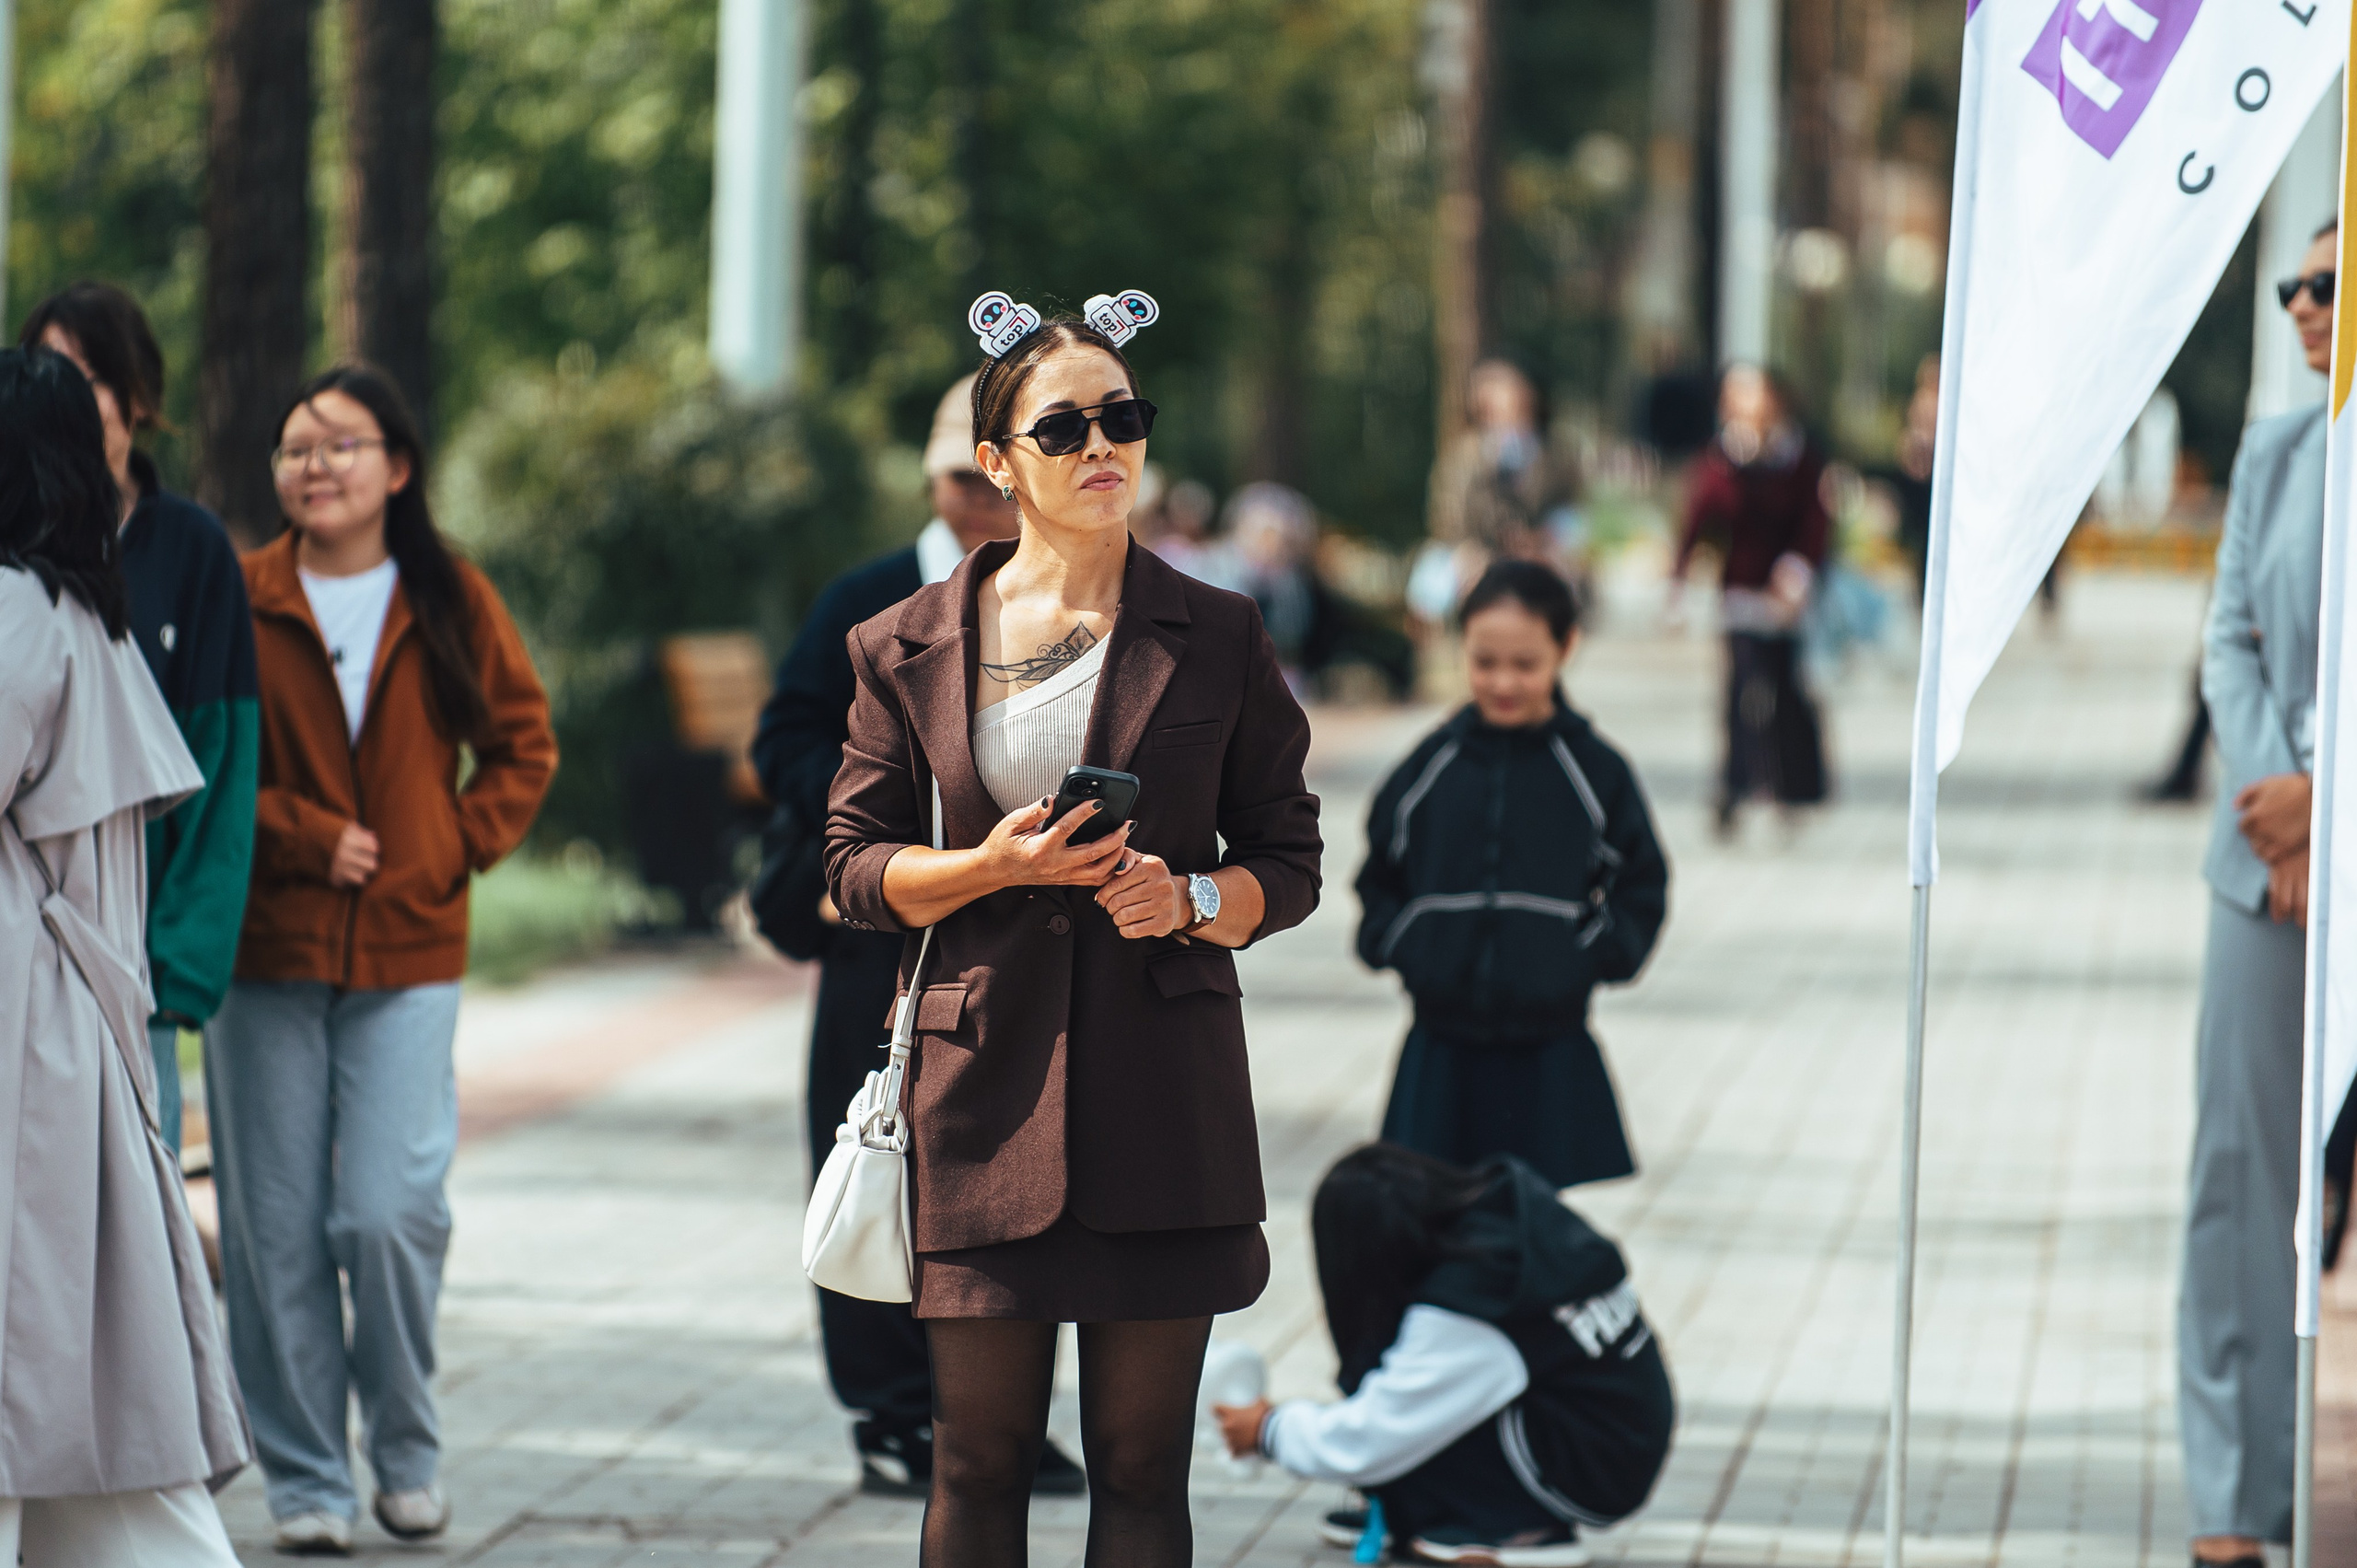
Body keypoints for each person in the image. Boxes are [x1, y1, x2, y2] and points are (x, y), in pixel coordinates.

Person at [824, 293, 1323, 1567]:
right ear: (997, 462)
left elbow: (1289, 854)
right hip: (976, 1091)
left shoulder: (1220, 635)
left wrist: (1196, 900)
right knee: (978, 1458)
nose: (1103, 444)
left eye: (1124, 417)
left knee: (1144, 1470)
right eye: (1065, 426)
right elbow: (849, 868)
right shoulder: (904, 644)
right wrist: (982, 866)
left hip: (1163, 1091)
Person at [210, 365, 558, 1555]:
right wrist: (305, 833)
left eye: (341, 445)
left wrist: (447, 844)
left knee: (390, 1213)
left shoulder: (448, 593)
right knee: (273, 1228)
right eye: (295, 447)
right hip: (266, 950)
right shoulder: (239, 594)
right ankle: (308, 1478)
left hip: (411, 948)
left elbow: (523, 743)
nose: (315, 465)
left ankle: (407, 1449)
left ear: (397, 468)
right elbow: (195, 757)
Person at [749, 373, 1084, 1498]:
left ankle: (994, 1412)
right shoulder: (871, 595)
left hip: (1022, 938)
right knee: (870, 1157)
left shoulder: (1070, 594)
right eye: (955, 475)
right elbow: (786, 735)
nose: (974, 499)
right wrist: (890, 794)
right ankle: (890, 1409)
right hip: (881, 927)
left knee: (1008, 1172)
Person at [0, 345, 249, 1562]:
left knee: (31, 1350)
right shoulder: (78, 607)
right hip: (68, 1017)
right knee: (76, 1367)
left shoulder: (10, 608)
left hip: (18, 1022)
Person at [2177, 219, 2336, 1568]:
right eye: (2294, 282)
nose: (2301, 303)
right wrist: (2286, 807)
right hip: (2264, 876)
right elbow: (2227, 634)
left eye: (2330, 284)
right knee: (2240, 1185)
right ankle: (2235, 1497)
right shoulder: (2274, 454)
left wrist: (2334, 803)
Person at [17, 283, 260, 1156]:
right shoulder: (20, 562)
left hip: (132, 964)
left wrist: (179, 967)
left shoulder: (191, 548)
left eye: (90, 373)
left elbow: (219, 765)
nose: (71, 395)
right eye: (51, 371)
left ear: (137, 396)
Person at [1356, 561, 1667, 1189]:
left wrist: (1590, 955)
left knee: (1533, 1229)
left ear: (1566, 648)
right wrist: (1401, 941)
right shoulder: (1428, 765)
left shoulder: (1595, 771)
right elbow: (1379, 873)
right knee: (1434, 1219)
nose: (1503, 681)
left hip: (1551, 1050)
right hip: (1439, 1049)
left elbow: (1642, 881)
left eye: (1525, 663)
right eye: (1484, 660)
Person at [1213, 1144, 1674, 1566]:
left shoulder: (1478, 1303)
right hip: (1618, 1436)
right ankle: (1420, 1508)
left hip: (1590, 1473)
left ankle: (1518, 1528)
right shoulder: (1509, 1221)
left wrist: (1269, 1430)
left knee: (1424, 1409)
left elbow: (1376, 1434)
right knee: (1434, 1394)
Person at [1670, 364, 1832, 834]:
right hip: (1739, 592)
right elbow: (1697, 523)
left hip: (1784, 596)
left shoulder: (1798, 458)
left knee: (1783, 687)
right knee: (1740, 688)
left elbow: (1815, 522)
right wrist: (1679, 585)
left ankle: (1788, 785)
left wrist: (1798, 573)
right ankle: (1734, 784)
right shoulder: (1720, 461)